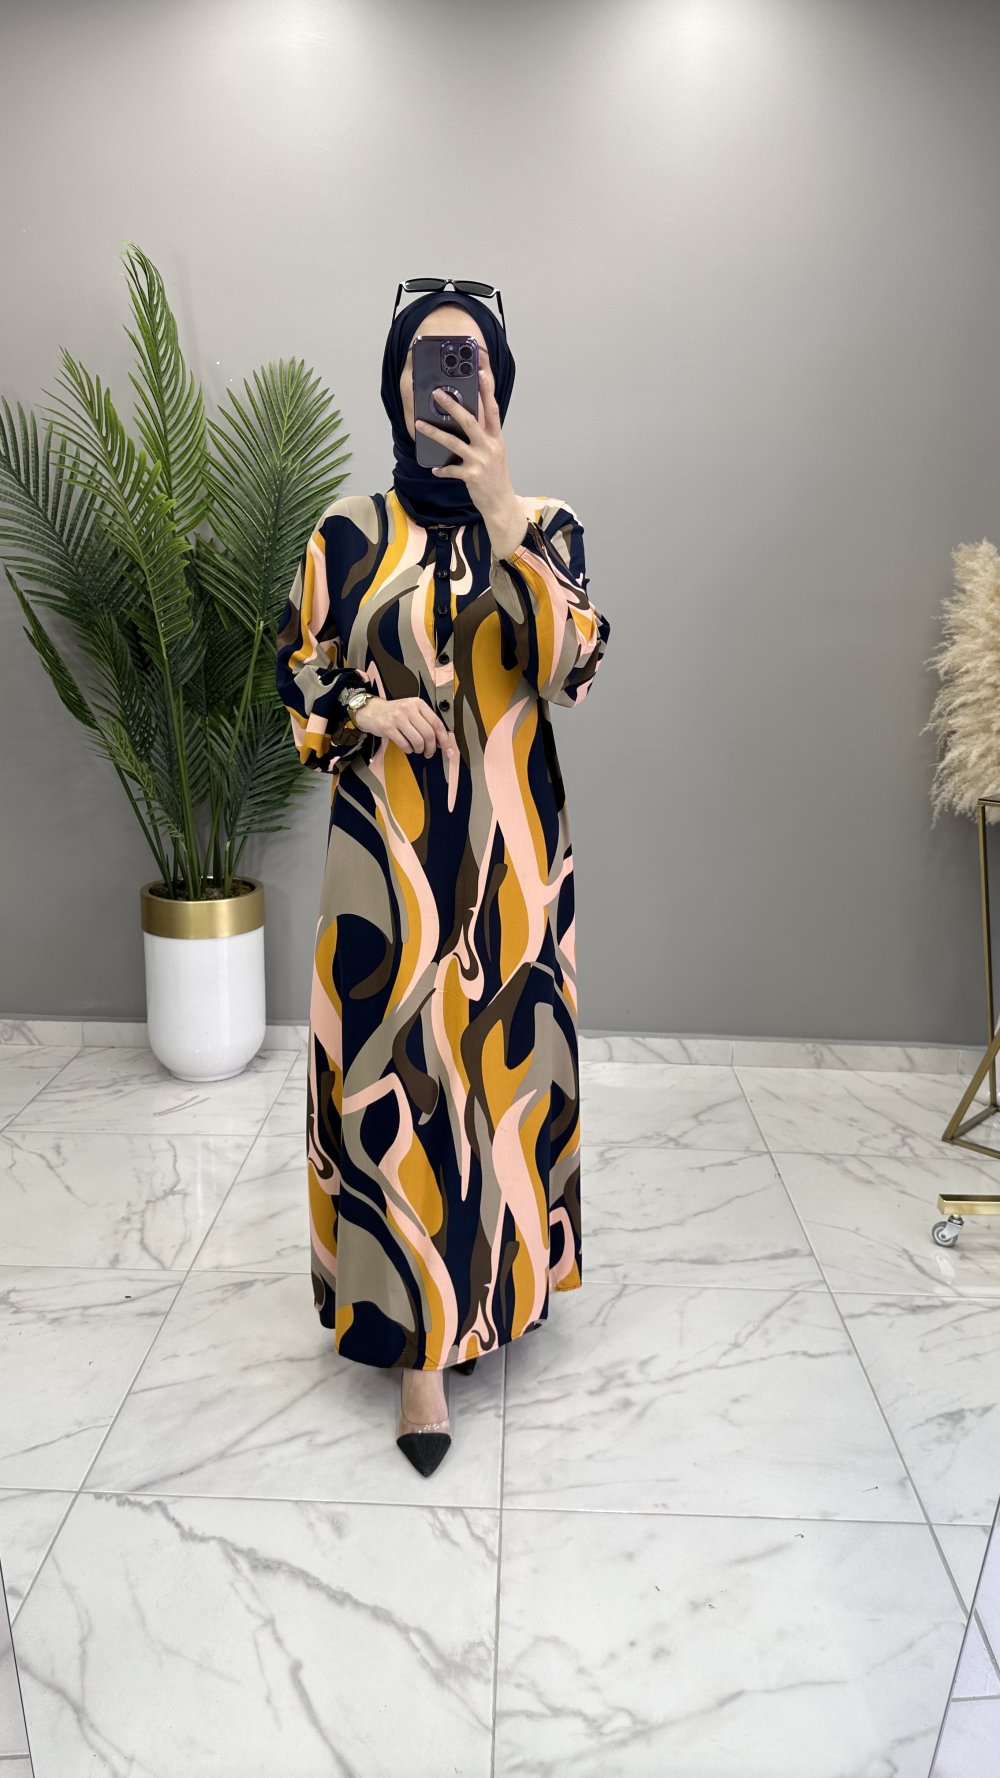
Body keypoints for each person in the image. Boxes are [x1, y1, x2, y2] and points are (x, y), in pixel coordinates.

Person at [275, 283, 611, 1475]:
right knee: (400, 1083)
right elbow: (298, 669)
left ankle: (494, 1295)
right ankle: (416, 1350)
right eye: (427, 363)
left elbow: (573, 665)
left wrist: (504, 514)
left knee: (496, 1082)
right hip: (388, 860)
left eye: (468, 361)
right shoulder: (346, 531)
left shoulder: (548, 521)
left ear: (497, 385)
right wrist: (368, 707)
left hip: (513, 860)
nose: (448, 382)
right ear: (396, 388)